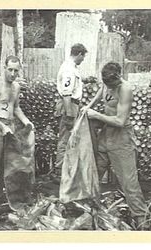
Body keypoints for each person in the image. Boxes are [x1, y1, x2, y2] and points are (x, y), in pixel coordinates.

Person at [82, 62, 149, 229]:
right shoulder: (106, 83)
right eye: (106, 83)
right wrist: (88, 107)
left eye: (111, 83)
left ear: (118, 77)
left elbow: (119, 121)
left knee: (129, 182)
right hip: (105, 136)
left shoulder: (125, 89)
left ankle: (142, 221)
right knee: (93, 174)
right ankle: (87, 211)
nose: (108, 86)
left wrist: (96, 114)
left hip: (122, 139)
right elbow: (100, 93)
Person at [0, 55, 34, 218]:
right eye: (10, 69)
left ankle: (3, 197)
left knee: (10, 163)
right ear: (4, 68)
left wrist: (26, 122)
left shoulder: (16, 87)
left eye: (16, 71)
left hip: (10, 126)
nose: (12, 73)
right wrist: (2, 126)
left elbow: (15, 107)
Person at [54, 43, 88, 176]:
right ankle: (59, 171)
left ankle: (65, 169)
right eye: (83, 57)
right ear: (79, 54)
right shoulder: (68, 69)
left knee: (70, 138)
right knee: (65, 138)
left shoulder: (72, 67)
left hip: (73, 105)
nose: (83, 60)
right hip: (68, 105)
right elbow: (67, 94)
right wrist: (69, 115)